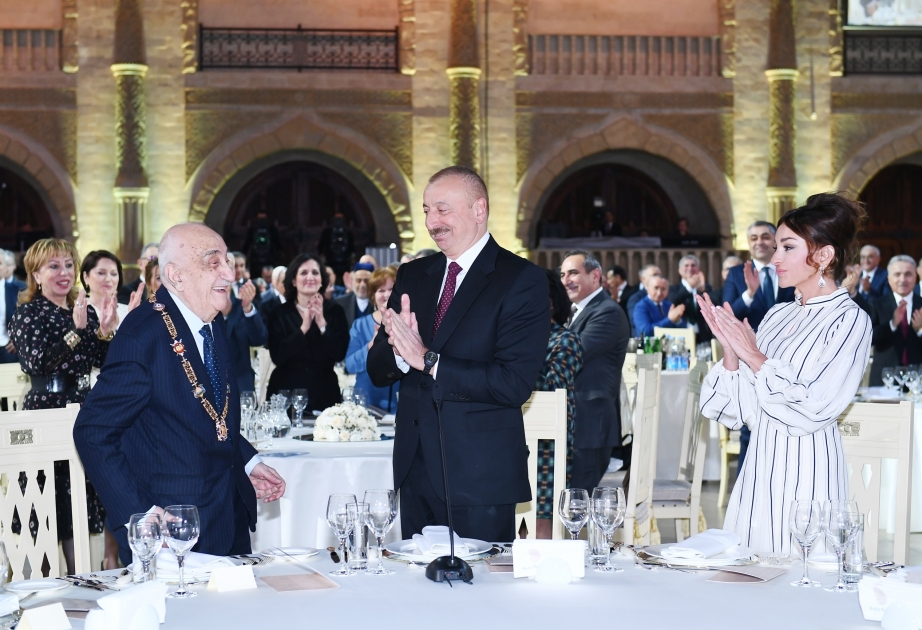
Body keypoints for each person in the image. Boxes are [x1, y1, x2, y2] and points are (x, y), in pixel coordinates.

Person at [74, 223, 286, 565]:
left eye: (228, 262)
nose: (229, 273)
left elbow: (206, 412)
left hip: (228, 516)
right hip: (172, 534)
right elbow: (92, 431)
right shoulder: (142, 333)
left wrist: (247, 460)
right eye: (213, 262)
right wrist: (141, 515)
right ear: (175, 275)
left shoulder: (212, 321)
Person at [367, 166, 549, 542]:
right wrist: (400, 352)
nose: (432, 222)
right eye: (426, 210)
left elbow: (512, 384)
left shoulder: (521, 279)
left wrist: (428, 360)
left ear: (479, 209)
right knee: (416, 578)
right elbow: (377, 370)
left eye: (443, 209)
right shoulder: (413, 275)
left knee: (482, 581)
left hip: (481, 475)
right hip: (414, 469)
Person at [698, 193, 871, 553]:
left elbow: (814, 407)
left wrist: (753, 355)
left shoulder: (849, 320)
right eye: (776, 247)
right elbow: (744, 411)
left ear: (823, 256)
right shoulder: (778, 315)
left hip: (808, 469)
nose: (775, 258)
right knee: (750, 570)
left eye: (788, 247)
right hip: (759, 466)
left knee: (801, 573)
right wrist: (731, 352)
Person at [9, 238, 118, 574]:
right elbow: (37, 363)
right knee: (45, 502)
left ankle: (79, 577)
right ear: (36, 275)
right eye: (54, 266)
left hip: (82, 409)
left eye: (69, 265)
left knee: (78, 501)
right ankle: (43, 584)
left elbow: (102, 362)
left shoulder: (84, 310)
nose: (64, 273)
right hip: (46, 411)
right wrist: (76, 331)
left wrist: (105, 332)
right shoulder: (29, 313)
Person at [560, 249, 629, 487]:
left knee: (576, 500)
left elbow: (569, 355)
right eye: (562, 275)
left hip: (588, 425)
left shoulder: (607, 312)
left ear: (595, 275)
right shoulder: (575, 312)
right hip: (572, 422)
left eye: (573, 273)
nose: (566, 280)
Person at [534, 269, 583, 540]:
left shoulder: (566, 340)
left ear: (550, 302)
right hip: (509, 439)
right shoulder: (510, 339)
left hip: (547, 446)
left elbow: (552, 390)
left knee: (540, 530)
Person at [266, 254, 349, 410]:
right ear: (293, 281)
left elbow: (339, 353)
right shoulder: (279, 313)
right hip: (286, 393)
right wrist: (303, 328)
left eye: (315, 273)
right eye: (303, 273)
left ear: (322, 280)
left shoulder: (335, 311)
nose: (310, 277)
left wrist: (322, 323)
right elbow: (278, 356)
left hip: (325, 393)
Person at [723, 221, 797, 332]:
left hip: (789, 338)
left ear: (776, 240)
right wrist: (749, 293)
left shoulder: (792, 270)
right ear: (749, 243)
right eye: (754, 238)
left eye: (765, 237)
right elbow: (727, 316)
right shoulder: (735, 274)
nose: (759, 242)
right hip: (752, 339)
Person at [345, 267, 399, 412]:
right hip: (366, 402)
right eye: (381, 290)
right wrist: (371, 345)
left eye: (391, 289)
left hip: (399, 402)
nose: (387, 294)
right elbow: (350, 365)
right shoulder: (360, 325)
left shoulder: (408, 323)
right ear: (373, 296)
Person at [869, 255, 922, 385]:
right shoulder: (877, 304)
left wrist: (920, 330)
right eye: (897, 274)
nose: (902, 279)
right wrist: (892, 324)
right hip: (884, 379)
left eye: (908, 274)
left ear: (915, 277)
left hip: (916, 381)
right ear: (889, 278)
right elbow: (869, 338)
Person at [221, 274, 267, 394]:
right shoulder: (201, 310)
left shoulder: (242, 306)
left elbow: (260, 339)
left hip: (242, 387)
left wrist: (248, 308)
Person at [668, 254, 714, 344]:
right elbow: (672, 303)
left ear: (698, 269)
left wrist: (702, 290)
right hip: (682, 335)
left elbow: (713, 306)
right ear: (680, 270)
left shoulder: (706, 288)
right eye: (686, 265)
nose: (690, 268)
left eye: (693, 265)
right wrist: (689, 287)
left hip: (703, 336)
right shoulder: (674, 289)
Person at [0, 248, 26, 364]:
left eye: (0, 263)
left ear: (6, 267)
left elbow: (29, 318)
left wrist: (20, 339)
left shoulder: (19, 289)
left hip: (8, 349)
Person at [335, 262, 375, 330]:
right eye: (358, 280)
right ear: (352, 282)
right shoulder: (340, 303)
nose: (362, 285)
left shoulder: (379, 303)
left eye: (366, 281)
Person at [627, 264, 662, 337]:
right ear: (643, 279)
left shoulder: (665, 297)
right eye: (654, 275)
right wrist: (669, 320)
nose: (658, 278)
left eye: (660, 275)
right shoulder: (636, 298)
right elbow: (637, 322)